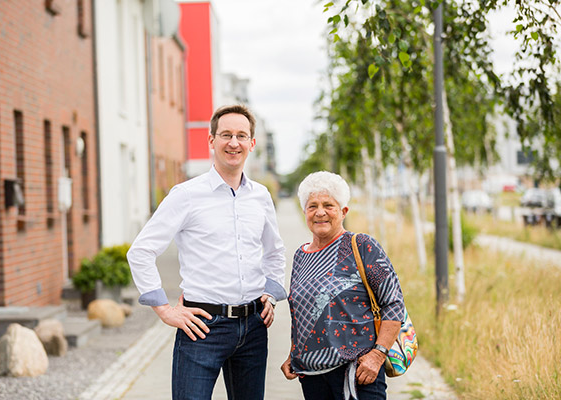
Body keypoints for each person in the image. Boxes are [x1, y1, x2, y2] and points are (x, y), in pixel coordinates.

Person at [127, 104, 286, 400]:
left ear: (252, 143)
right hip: (202, 329)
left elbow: (274, 252)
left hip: (253, 328)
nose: (233, 142)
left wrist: (272, 293)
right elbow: (141, 251)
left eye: (241, 135)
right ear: (211, 140)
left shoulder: (260, 196)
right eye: (226, 134)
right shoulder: (186, 195)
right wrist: (164, 310)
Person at [280, 171, 405, 400]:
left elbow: (394, 303)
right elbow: (301, 311)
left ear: (343, 211)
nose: (320, 212)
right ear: (305, 212)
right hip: (312, 376)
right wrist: (294, 354)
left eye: (328, 205)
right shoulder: (300, 255)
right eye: (312, 206)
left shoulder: (362, 246)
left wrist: (378, 355)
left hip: (358, 373)